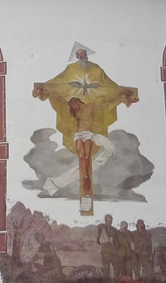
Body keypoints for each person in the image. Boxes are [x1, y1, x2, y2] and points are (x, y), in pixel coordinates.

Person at [33, 45, 138, 211]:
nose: (80, 56)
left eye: (82, 53)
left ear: (87, 55)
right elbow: (58, 95)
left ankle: (82, 185)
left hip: (89, 134)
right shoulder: (70, 74)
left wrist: (122, 93)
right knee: (83, 158)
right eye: (77, 54)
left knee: (87, 159)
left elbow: (107, 96)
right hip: (78, 135)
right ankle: (82, 188)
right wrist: (45, 89)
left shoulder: (95, 80)